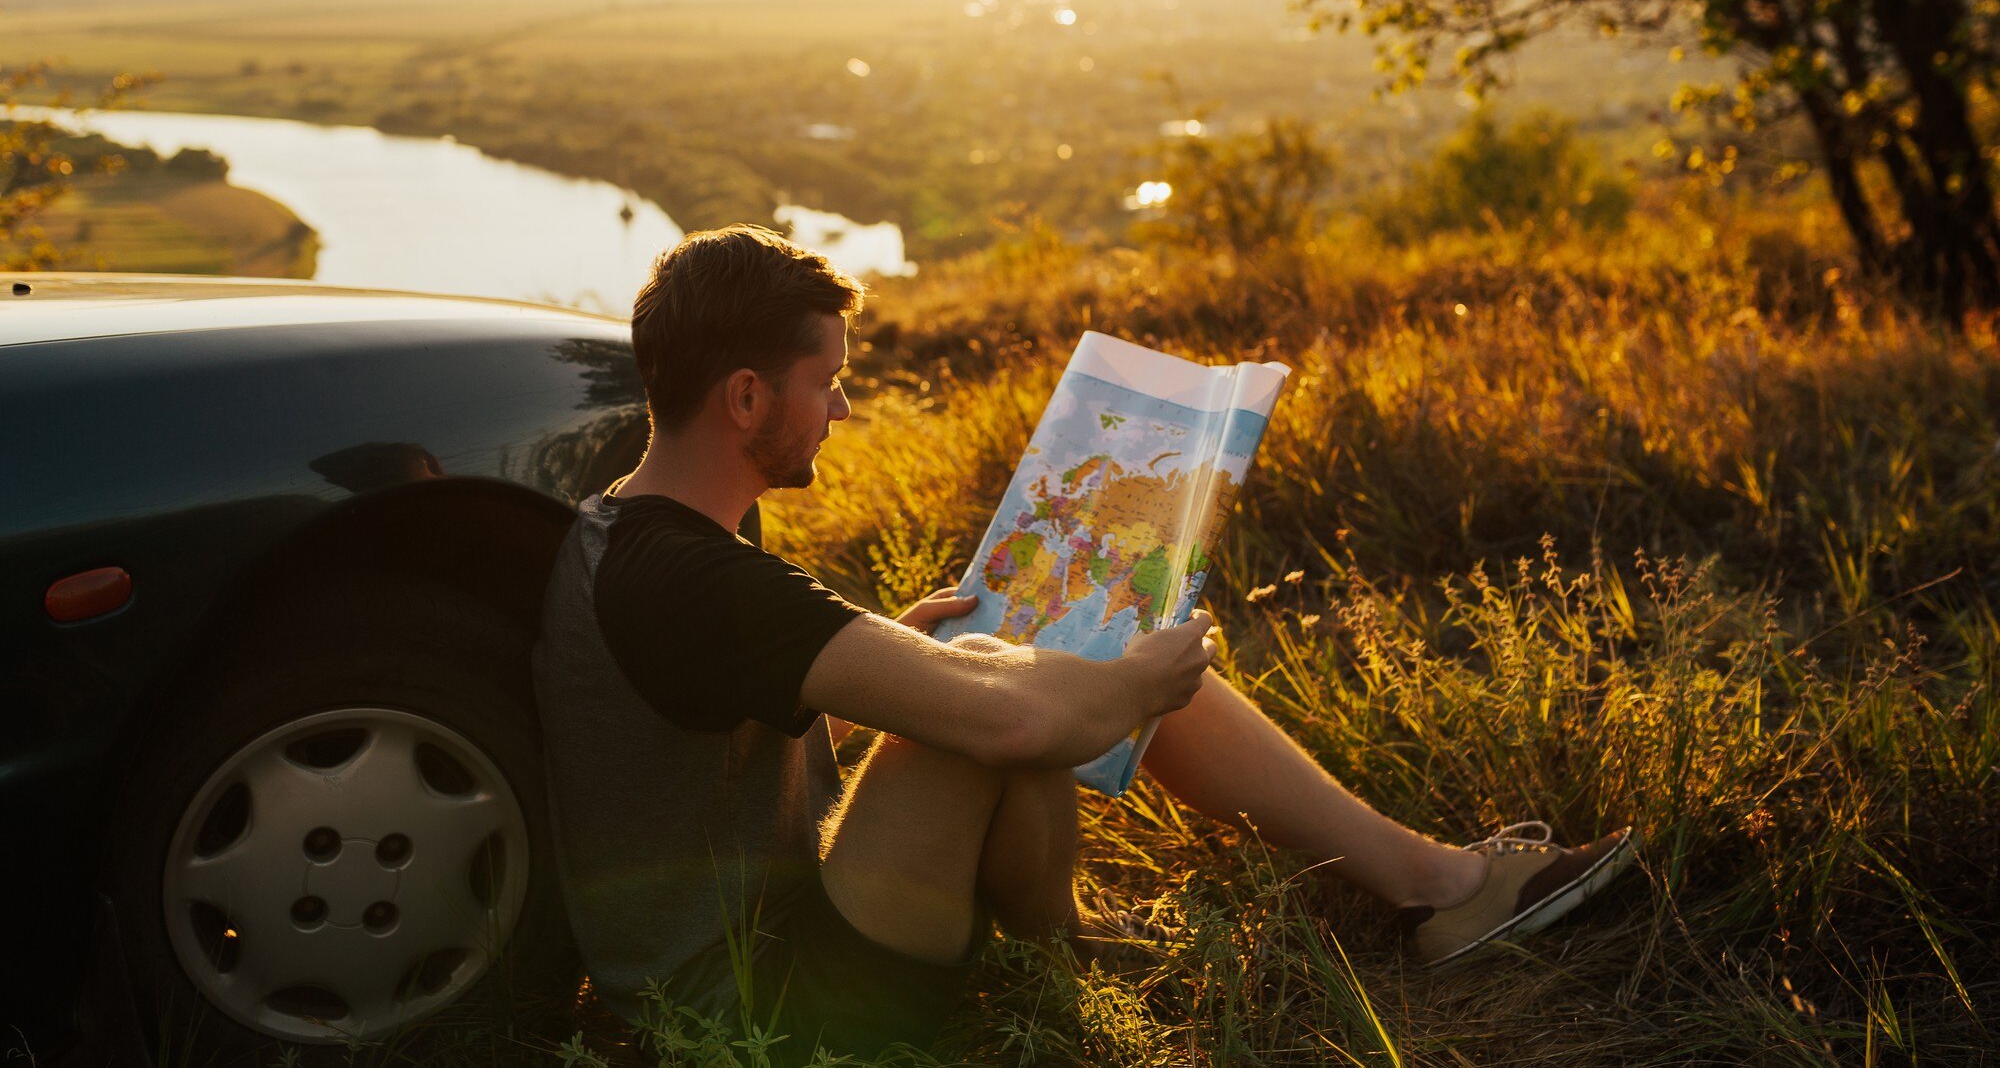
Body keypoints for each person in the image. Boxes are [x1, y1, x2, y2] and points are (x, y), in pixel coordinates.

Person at [533, 225, 1633, 1063]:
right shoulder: (684, 575)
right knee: (1018, 701)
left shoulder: (642, 524)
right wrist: (1137, 673)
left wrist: (901, 662)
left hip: (775, 921)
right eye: (826, 381)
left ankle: (1426, 883)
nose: (842, 406)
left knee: (1021, 656)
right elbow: (1010, 720)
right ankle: (1425, 891)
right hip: (762, 996)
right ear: (742, 396)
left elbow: (687, 734)